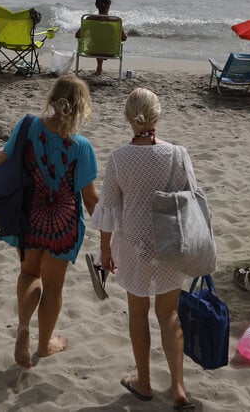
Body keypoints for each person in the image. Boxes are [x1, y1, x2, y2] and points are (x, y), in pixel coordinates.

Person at [91, 88, 197, 411]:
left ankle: (144, 383)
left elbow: (109, 209)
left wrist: (104, 251)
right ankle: (178, 388)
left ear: (128, 119)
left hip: (133, 245)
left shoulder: (120, 158)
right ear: (157, 116)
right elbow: (191, 200)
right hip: (169, 244)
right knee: (169, 315)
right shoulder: (177, 154)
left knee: (138, 314)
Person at [0, 75, 99, 369]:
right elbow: (89, 199)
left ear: (52, 98)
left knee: (28, 274)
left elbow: (2, 160)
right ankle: (44, 345)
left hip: (30, 218)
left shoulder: (30, 126)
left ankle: (23, 327)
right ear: (81, 107)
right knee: (53, 287)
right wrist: (112, 230)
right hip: (63, 224)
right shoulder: (82, 146)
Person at [74, 0, 127, 76]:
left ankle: (99, 68)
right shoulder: (116, 21)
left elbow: (77, 35)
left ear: (96, 5)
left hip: (92, 51)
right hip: (111, 52)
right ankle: (99, 68)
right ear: (109, 5)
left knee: (97, 41)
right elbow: (124, 38)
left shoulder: (89, 19)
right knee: (104, 42)